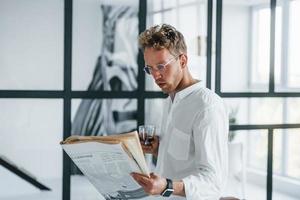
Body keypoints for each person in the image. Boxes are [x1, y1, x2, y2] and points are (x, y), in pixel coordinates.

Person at [131, 24, 228, 200]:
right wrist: (157, 150)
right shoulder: (169, 100)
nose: (155, 76)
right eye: (149, 68)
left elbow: (213, 183)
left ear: (182, 61)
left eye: (161, 66)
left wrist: (167, 187)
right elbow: (181, 160)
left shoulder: (208, 106)